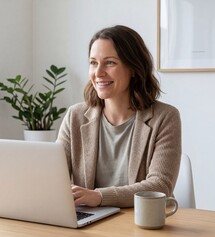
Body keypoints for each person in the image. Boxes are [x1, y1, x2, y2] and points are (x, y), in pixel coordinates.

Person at [57, 25, 181, 208]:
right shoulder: (75, 116)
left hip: (141, 223)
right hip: (89, 222)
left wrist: (99, 196)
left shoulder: (165, 117)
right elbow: (53, 177)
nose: (98, 73)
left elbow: (160, 186)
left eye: (110, 62)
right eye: (93, 62)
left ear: (133, 68)